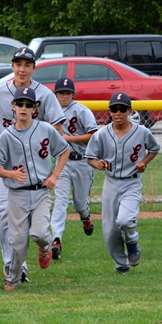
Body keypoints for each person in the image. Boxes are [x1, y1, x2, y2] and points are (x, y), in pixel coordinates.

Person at [0, 47, 66, 281]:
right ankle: (14, 266)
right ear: (12, 66)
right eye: (18, 64)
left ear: (33, 67)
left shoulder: (44, 94)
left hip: (35, 168)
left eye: (27, 64)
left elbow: (57, 128)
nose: (22, 69)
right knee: (3, 213)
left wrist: (49, 161)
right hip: (6, 164)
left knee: (37, 229)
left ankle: (38, 249)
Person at [85, 92, 160, 274]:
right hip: (110, 183)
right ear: (109, 111)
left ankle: (132, 242)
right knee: (110, 231)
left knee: (125, 220)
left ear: (130, 111)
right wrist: (98, 163)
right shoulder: (102, 134)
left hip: (131, 182)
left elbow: (154, 148)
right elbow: (90, 157)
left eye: (122, 109)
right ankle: (122, 266)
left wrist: (144, 163)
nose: (118, 113)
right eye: (114, 109)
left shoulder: (142, 132)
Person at [50, 77, 98, 260]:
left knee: (79, 203)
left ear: (73, 94)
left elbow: (94, 135)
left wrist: (69, 139)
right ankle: (56, 240)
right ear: (55, 95)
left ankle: (85, 216)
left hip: (82, 162)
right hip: (62, 163)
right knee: (60, 201)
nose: (64, 96)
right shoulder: (50, 112)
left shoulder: (82, 111)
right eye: (61, 93)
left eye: (68, 93)